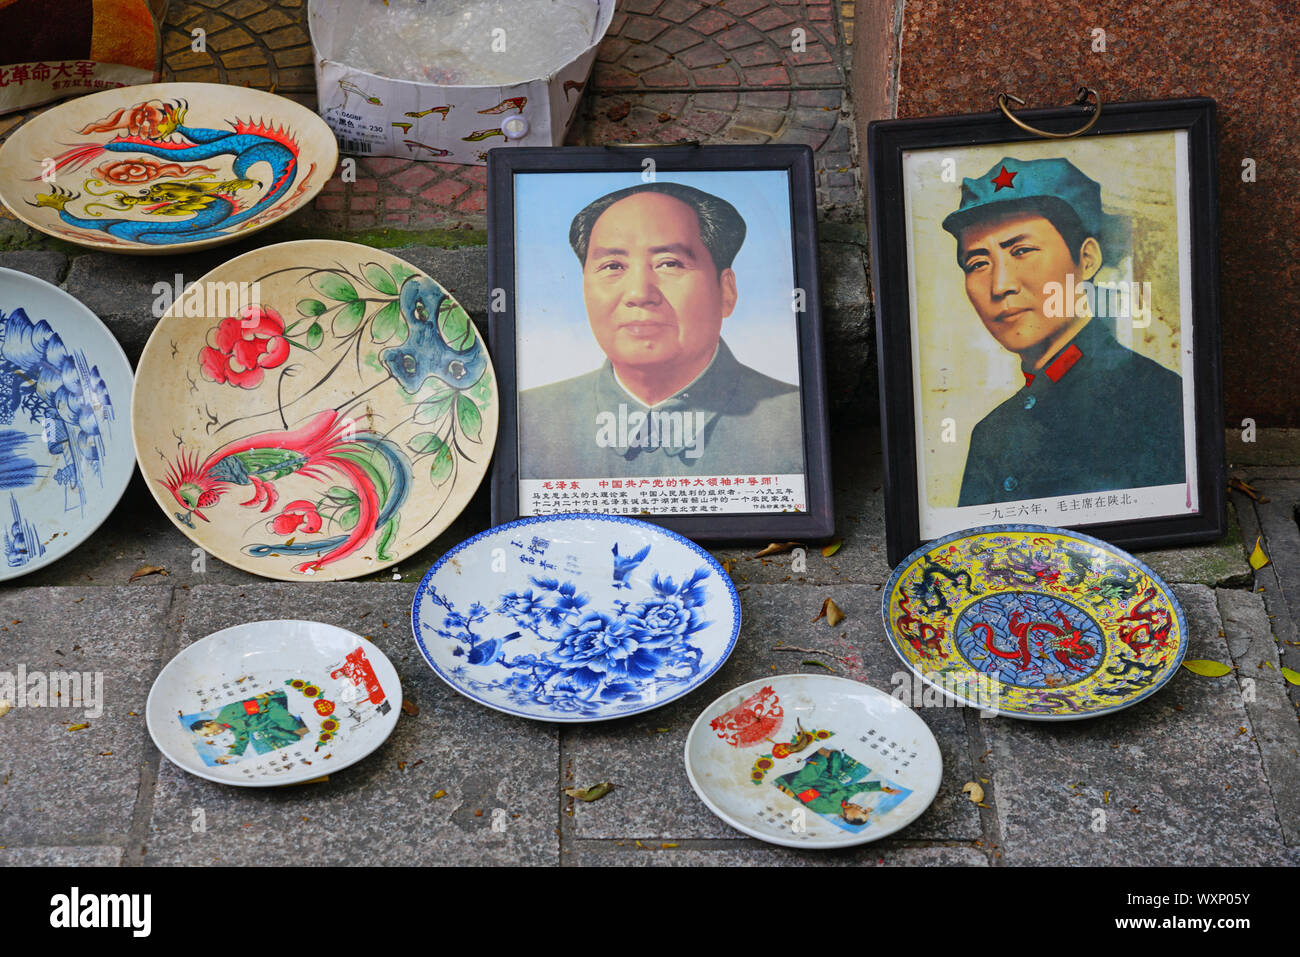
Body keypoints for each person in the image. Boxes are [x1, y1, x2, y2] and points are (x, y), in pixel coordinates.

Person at [943, 156, 1186, 506]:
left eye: (1022, 251)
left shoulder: (1157, 399)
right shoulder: (990, 432)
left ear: (1086, 259)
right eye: (978, 263)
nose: (1000, 285)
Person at [519, 182, 804, 478]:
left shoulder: (795, 422)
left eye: (669, 263)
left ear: (726, 291)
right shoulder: (528, 420)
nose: (639, 293)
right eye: (613, 266)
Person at [773, 746, 901, 826]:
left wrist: (818, 767)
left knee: (821, 761)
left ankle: (806, 749)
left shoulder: (825, 807)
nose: (863, 808)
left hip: (803, 782)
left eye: (862, 812)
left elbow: (800, 787)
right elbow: (856, 788)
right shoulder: (844, 802)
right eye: (865, 810)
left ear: (850, 817)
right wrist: (882, 788)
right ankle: (820, 752)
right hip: (827, 778)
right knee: (836, 757)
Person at [189, 690, 309, 764]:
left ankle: (301, 722)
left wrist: (287, 720)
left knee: (292, 726)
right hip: (271, 724)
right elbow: (241, 740)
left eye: (208, 733)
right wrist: (229, 755)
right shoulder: (231, 726)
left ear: (207, 724)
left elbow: (263, 705)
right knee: (292, 737)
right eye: (208, 736)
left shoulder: (229, 712)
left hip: (276, 710)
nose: (212, 736)